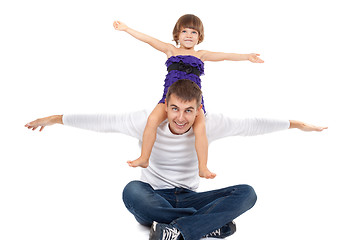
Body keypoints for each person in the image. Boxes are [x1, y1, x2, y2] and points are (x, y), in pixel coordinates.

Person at [25, 79, 327, 240]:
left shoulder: (208, 124)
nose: (180, 118)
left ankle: (178, 231)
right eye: (174, 109)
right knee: (131, 190)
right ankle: (209, 227)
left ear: (198, 111)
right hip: (153, 197)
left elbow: (252, 125)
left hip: (191, 198)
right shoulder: (145, 121)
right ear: (165, 106)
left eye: (188, 111)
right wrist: (55, 118)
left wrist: (297, 124)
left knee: (247, 193)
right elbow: (101, 120)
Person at [113, 14, 264, 179]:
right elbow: (149, 40)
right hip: (169, 98)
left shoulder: (201, 55)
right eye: (184, 31)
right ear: (177, 34)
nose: (189, 35)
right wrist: (126, 29)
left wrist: (246, 57)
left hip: (192, 101)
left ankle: (203, 167)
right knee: (151, 121)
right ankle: (144, 158)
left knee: (200, 129)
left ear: (199, 37)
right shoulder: (171, 50)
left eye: (193, 32)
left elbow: (224, 55)